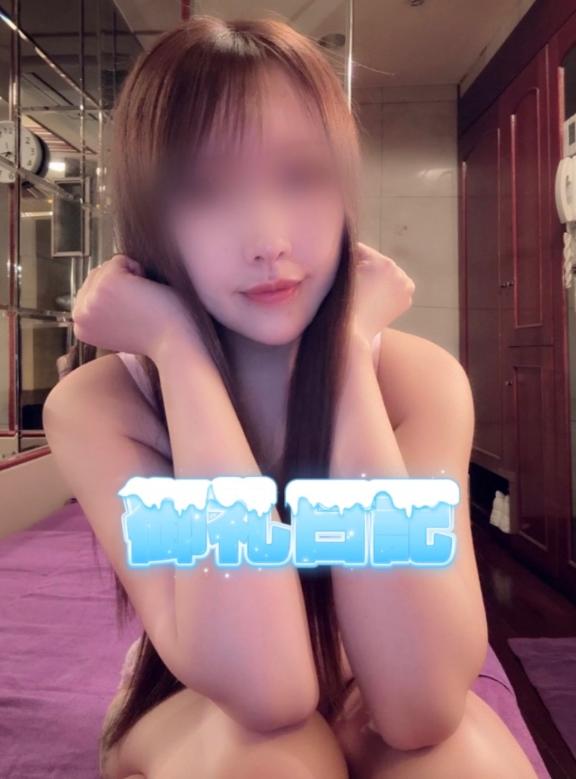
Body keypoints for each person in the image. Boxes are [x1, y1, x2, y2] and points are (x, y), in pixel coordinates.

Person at [43, 14, 539, 779]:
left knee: (462, 764)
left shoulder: (420, 382)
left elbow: (421, 702)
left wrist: (346, 359)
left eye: (302, 177)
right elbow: (265, 688)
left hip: (370, 681)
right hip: (200, 700)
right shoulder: (101, 405)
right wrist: (178, 352)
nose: (268, 237)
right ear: (150, 217)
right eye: (205, 191)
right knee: (275, 761)